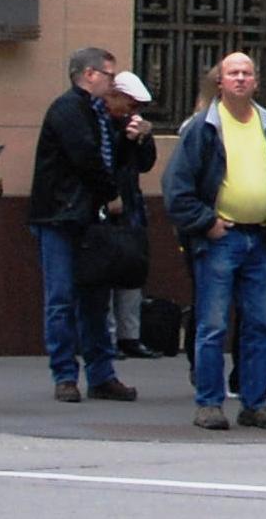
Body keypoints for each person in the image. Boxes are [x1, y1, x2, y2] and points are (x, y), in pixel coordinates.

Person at [165, 51, 266, 432]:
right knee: (212, 326)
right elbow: (176, 189)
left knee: (260, 325)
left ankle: (255, 403)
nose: (241, 79)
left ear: (257, 82)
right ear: (220, 82)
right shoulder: (203, 128)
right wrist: (206, 222)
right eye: (233, 73)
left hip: (259, 239)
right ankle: (209, 403)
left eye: (247, 73)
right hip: (220, 241)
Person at [28, 45, 144, 402]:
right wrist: (110, 193)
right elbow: (86, 158)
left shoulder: (98, 112)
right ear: (90, 74)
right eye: (110, 75)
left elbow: (115, 159)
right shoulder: (68, 109)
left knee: (95, 297)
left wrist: (131, 139)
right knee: (61, 298)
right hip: (62, 217)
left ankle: (101, 373)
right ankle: (65, 374)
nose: (113, 83)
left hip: (88, 219)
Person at [103, 70, 159, 361]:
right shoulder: (101, 124)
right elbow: (106, 160)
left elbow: (145, 164)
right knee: (107, 273)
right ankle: (108, 337)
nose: (132, 112)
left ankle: (130, 335)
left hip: (131, 206)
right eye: (130, 104)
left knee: (132, 270)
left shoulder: (131, 126)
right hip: (109, 209)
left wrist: (144, 139)